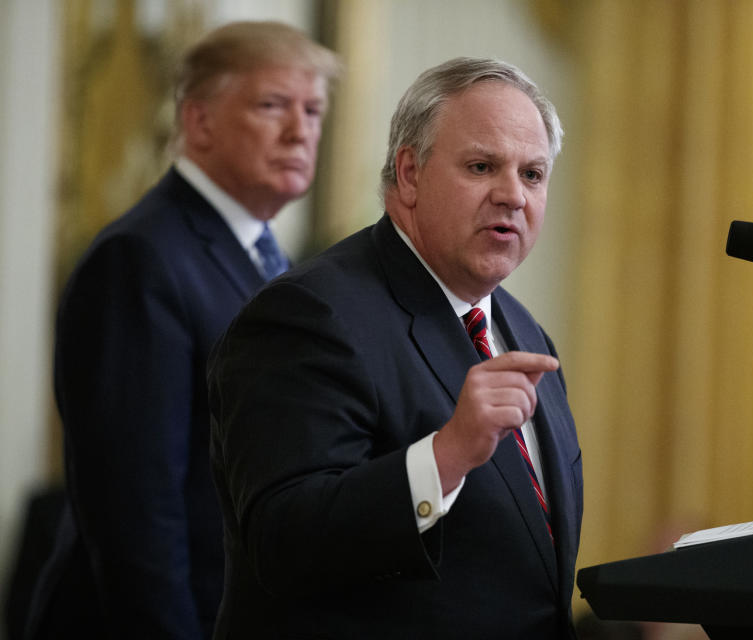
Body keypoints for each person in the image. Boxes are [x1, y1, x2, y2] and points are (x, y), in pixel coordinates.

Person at [206, 57, 582, 639]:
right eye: (483, 166)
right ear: (409, 173)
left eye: (533, 174)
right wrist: (446, 455)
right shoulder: (310, 315)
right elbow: (282, 544)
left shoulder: (525, 333)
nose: (512, 194)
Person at [25, 21, 339, 639]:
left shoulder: (267, 257)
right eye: (272, 105)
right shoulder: (140, 259)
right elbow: (135, 511)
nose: (300, 131)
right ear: (199, 122)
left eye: (313, 109)